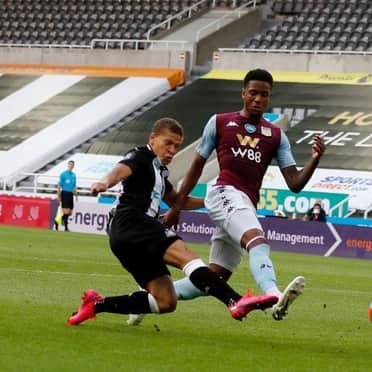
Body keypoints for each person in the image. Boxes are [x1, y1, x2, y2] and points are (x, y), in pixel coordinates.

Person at [131, 69, 325, 324]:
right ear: (243, 93)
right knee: (258, 241)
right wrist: (177, 206)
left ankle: (145, 300)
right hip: (225, 193)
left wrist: (314, 159)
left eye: (264, 95)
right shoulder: (220, 122)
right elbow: (197, 166)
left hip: (245, 203)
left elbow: (295, 184)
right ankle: (274, 294)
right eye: (253, 93)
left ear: (269, 98)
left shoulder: (276, 136)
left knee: (213, 279)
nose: (258, 99)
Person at [67, 118, 277, 326]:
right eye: (168, 143)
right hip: (133, 222)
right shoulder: (141, 156)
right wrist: (104, 182)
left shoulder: (158, 170)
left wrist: (213, 202)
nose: (172, 150)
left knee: (166, 301)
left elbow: (176, 200)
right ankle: (236, 301)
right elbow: (121, 169)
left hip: (123, 238)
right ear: (153, 138)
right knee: (189, 259)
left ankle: (95, 305)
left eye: (176, 146)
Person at [55, 160, 77, 231]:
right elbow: (59, 186)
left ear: (73, 166)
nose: (71, 166)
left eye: (72, 165)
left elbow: (74, 186)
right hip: (65, 193)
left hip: (70, 194)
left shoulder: (74, 175)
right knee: (66, 212)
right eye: (70, 164)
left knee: (70, 212)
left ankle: (57, 221)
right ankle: (66, 228)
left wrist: (76, 195)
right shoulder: (63, 174)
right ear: (68, 165)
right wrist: (58, 196)